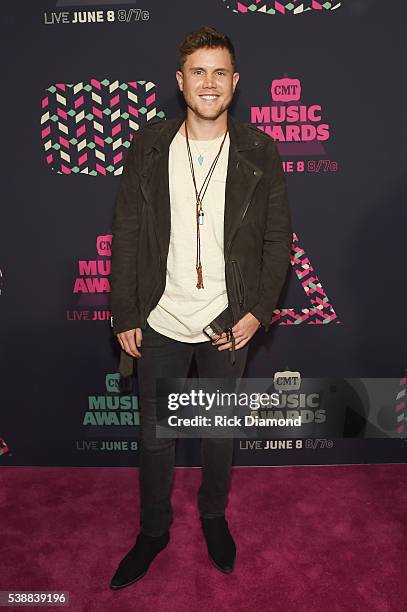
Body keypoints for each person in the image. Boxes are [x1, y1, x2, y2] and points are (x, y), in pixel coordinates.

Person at [109, 25, 292, 589]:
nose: (208, 82)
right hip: (160, 318)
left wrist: (257, 311)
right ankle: (154, 530)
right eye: (197, 71)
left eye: (219, 72)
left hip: (225, 321)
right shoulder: (149, 144)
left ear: (234, 84)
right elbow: (128, 230)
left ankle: (213, 516)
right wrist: (124, 311)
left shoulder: (260, 149)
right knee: (156, 438)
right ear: (180, 81)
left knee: (217, 434)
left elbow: (276, 240)